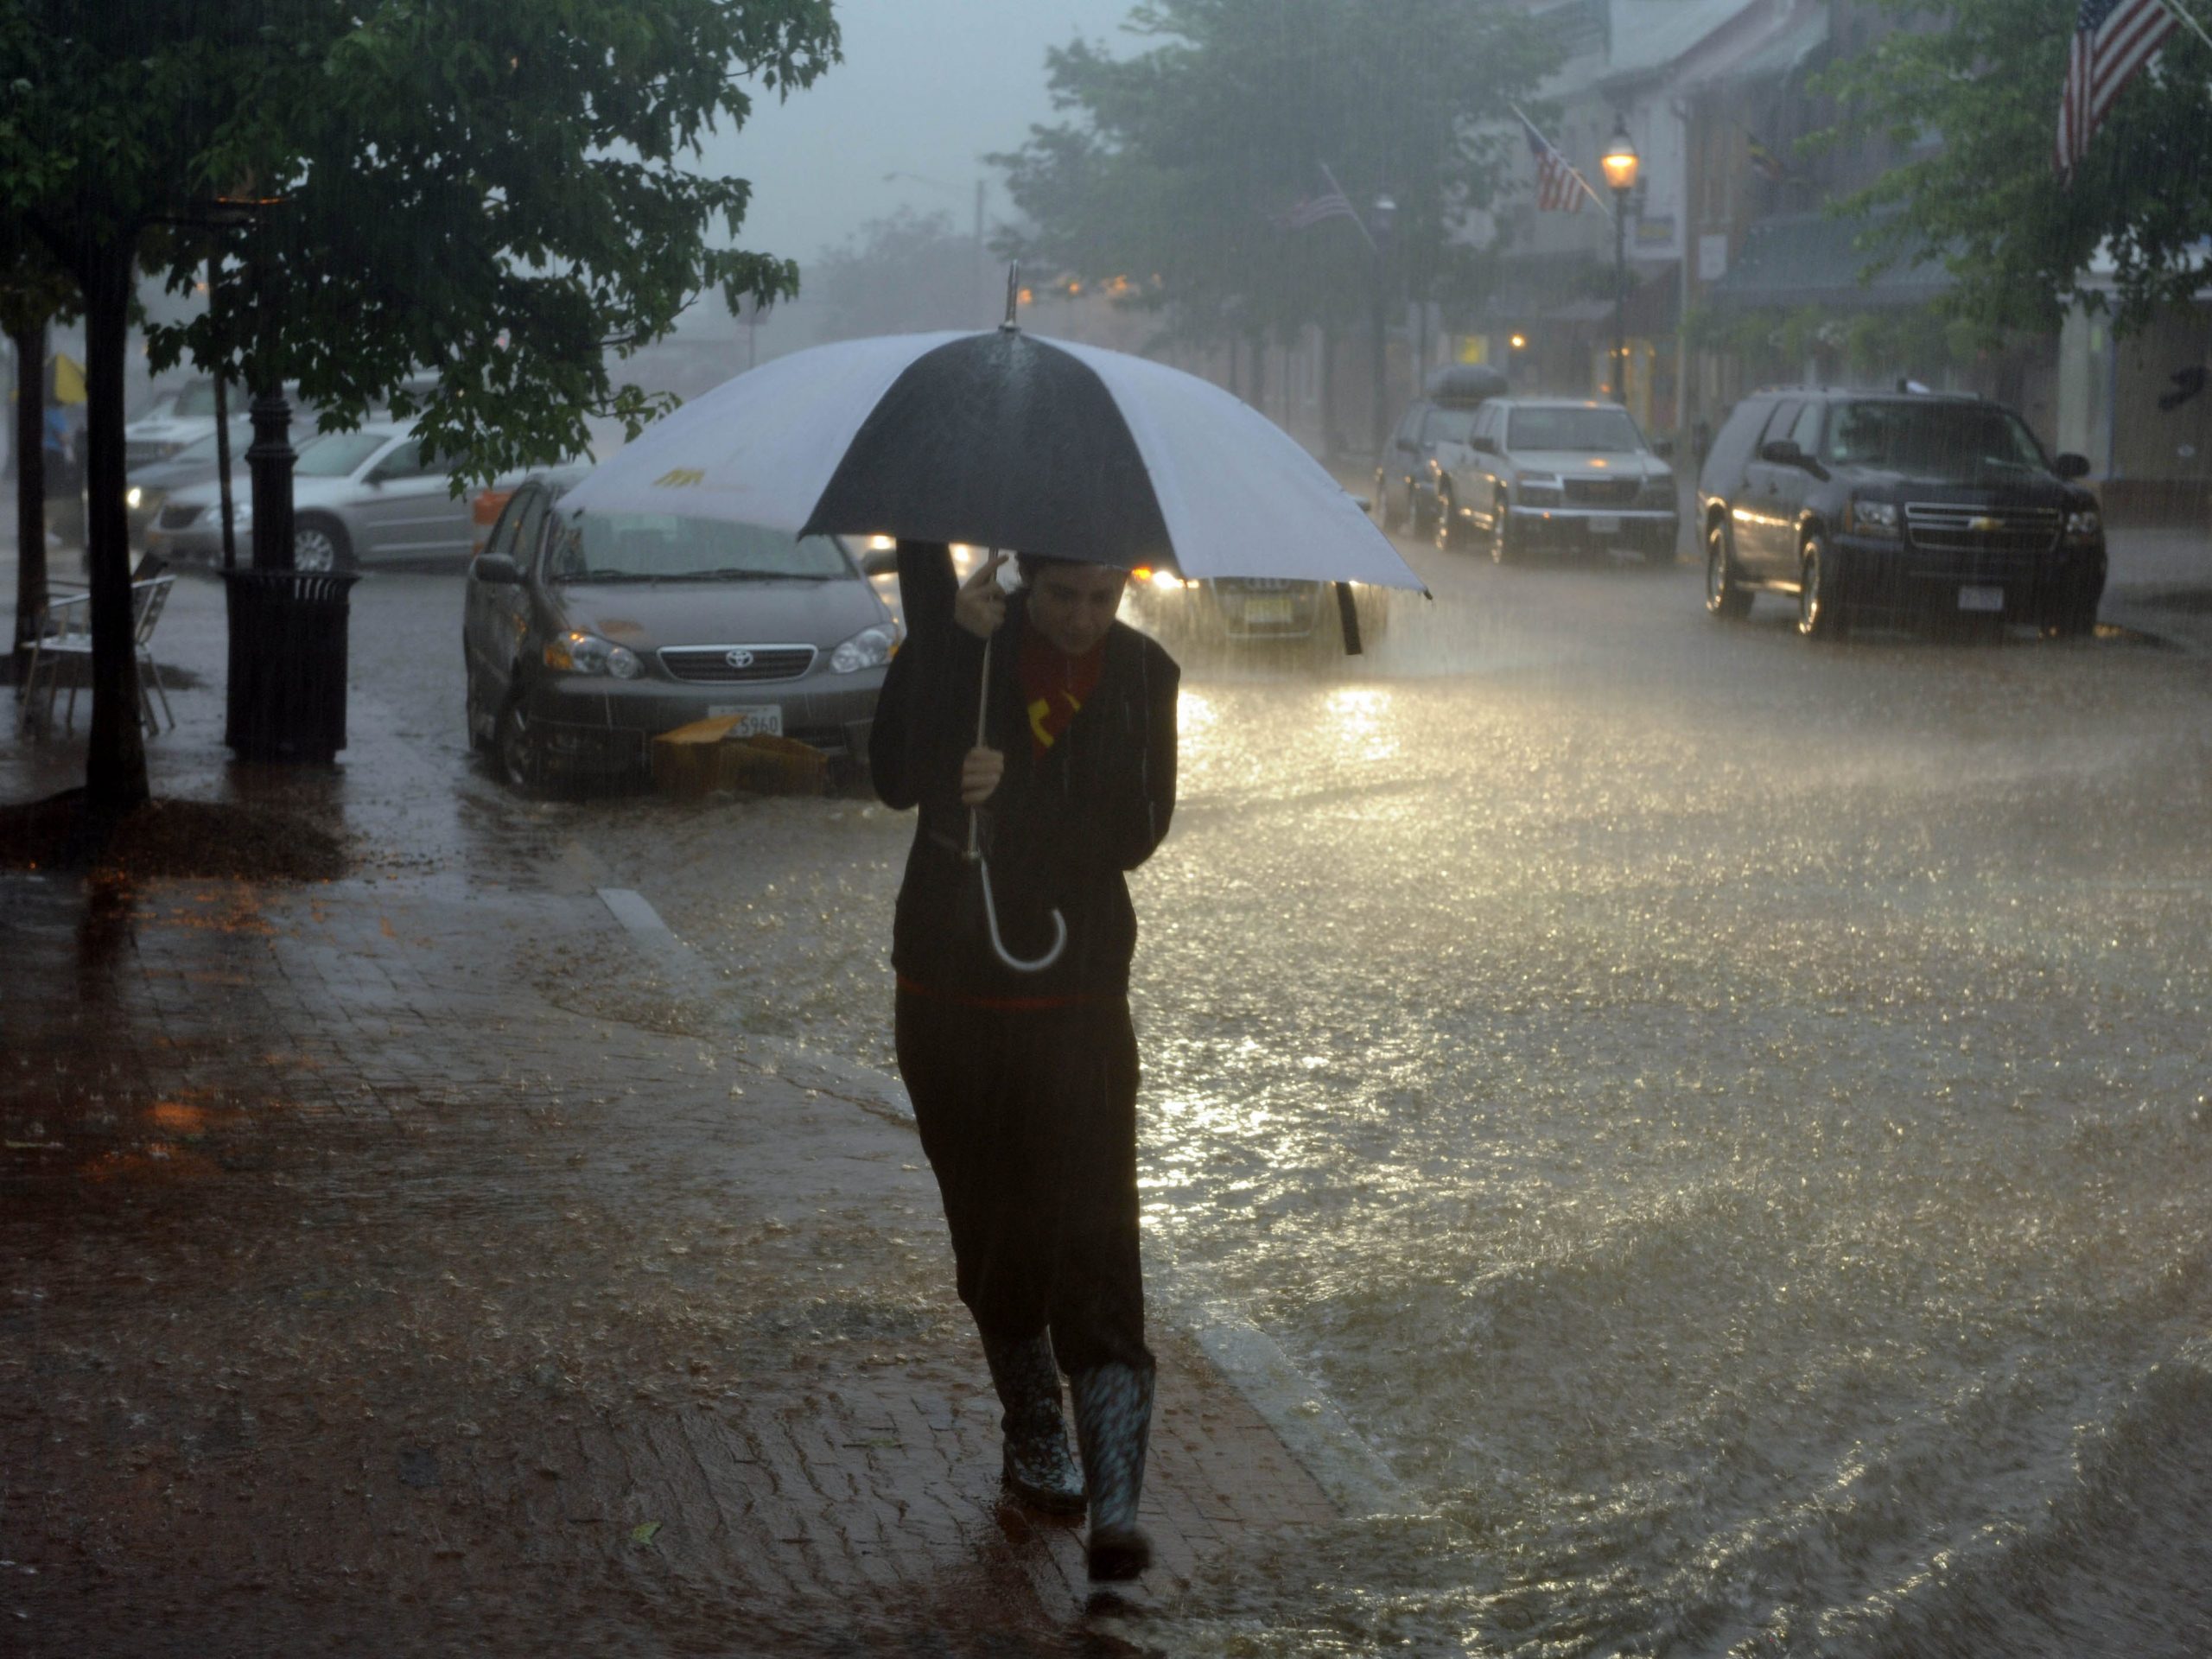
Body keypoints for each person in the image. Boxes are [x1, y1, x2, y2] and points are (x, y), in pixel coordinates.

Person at [870, 541, 1179, 1581]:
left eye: (1100, 597)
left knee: (1095, 1233)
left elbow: (1137, 829)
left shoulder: (1143, 679)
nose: (1082, 617)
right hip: (953, 999)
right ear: (1023, 583)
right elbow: (890, 777)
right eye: (1061, 596)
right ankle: (1030, 1418)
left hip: (1079, 998)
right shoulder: (964, 649)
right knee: (998, 1232)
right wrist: (947, 655)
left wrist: (1022, 799)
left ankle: (1118, 1497)